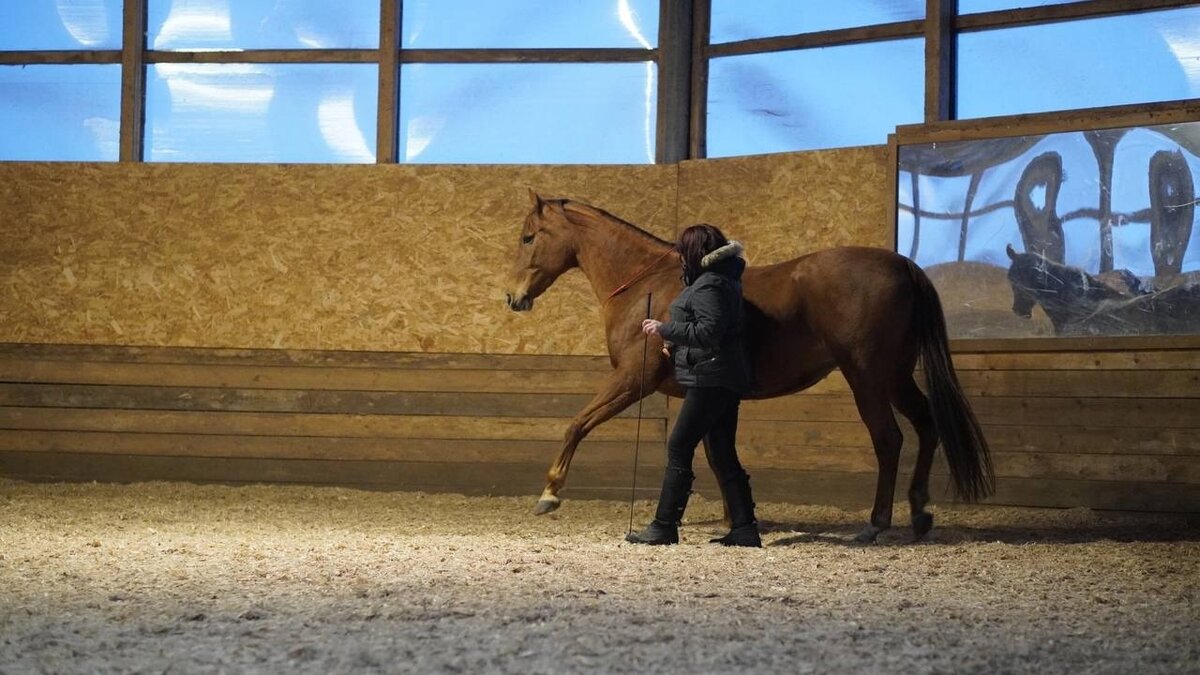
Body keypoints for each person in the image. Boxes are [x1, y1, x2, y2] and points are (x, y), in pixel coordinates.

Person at [626, 224, 760, 548]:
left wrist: (665, 329)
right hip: (720, 375)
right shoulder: (719, 280)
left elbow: (709, 332)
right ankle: (744, 528)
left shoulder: (709, 285)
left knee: (679, 445)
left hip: (710, 378)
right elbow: (709, 329)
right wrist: (676, 342)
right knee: (722, 452)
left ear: (695, 252)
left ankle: (664, 525)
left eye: (684, 250)